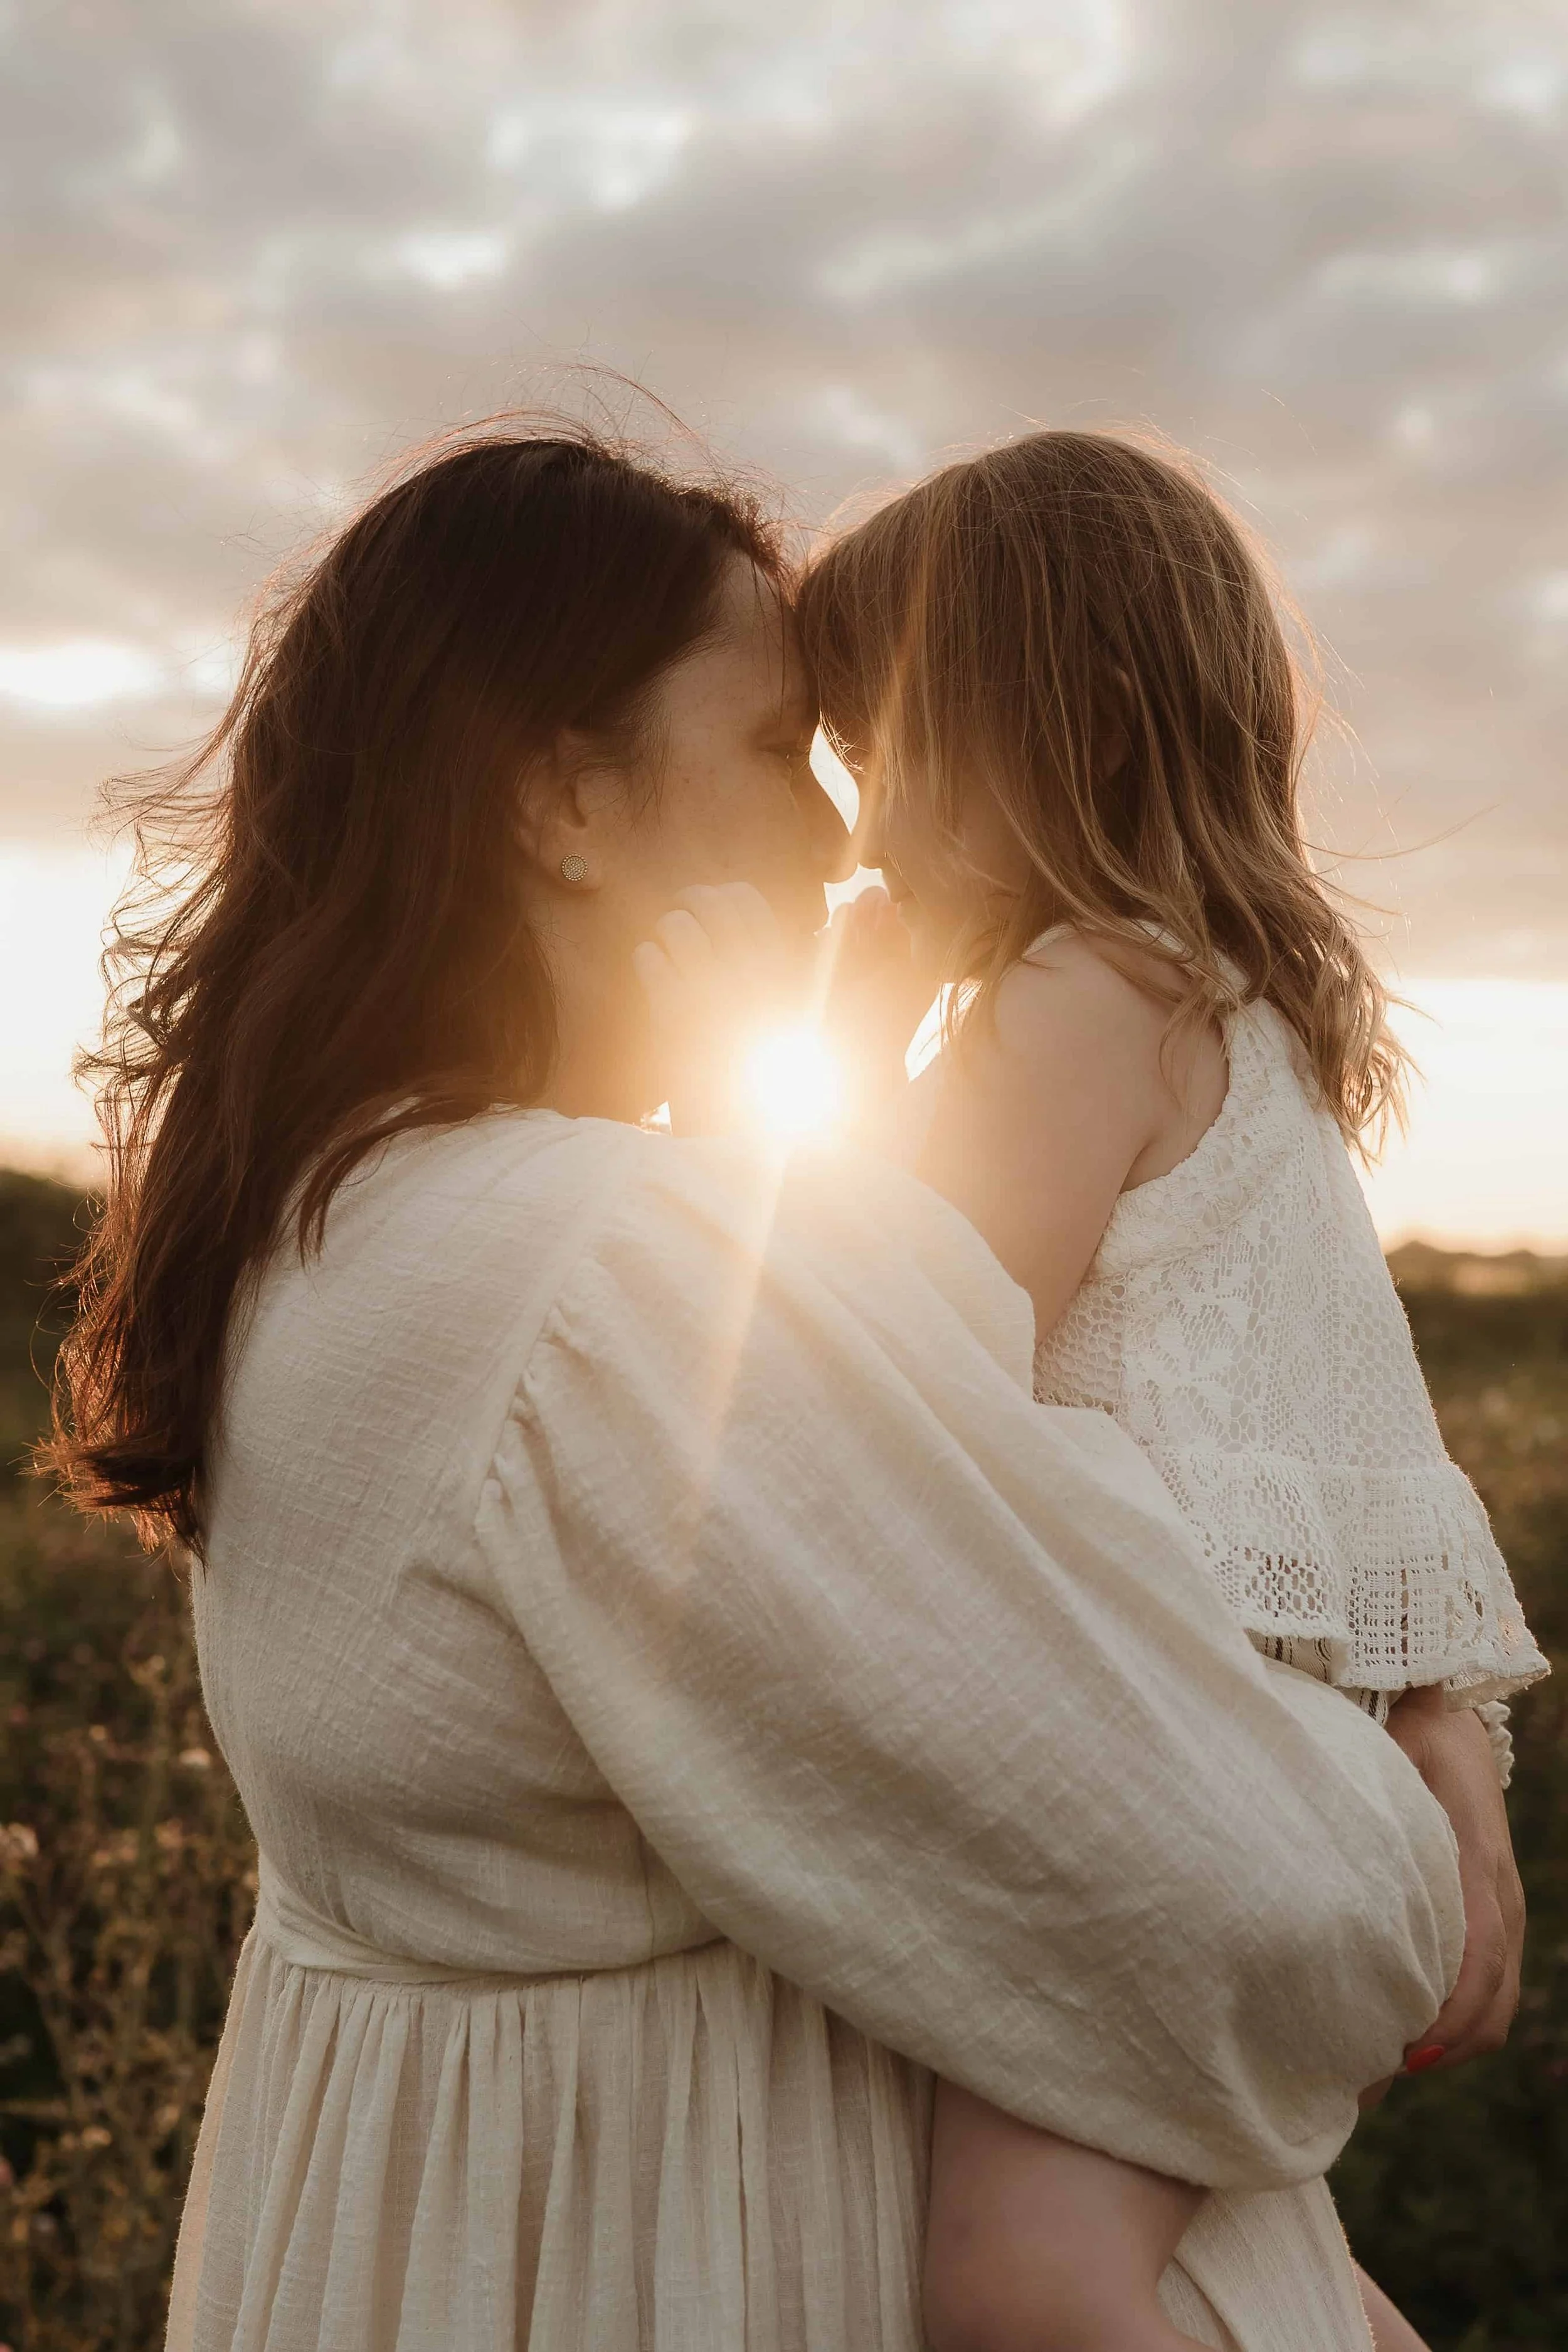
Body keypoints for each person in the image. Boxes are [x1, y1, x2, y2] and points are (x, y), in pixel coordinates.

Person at [48, 421, 1481, 2352]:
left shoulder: (355, 1213)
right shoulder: (616, 1273)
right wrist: (1422, 1814)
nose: (836, 839)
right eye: (771, 750)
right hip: (669, 2253)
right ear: (564, 796)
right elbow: (1260, 1887)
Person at [777, 428, 1546, 2352]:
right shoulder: (1246, 1018)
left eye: (884, 753)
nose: (859, 831)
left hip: (1156, 1778)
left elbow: (894, 1351)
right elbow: (1368, 1432)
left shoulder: (1073, 1002)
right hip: (1298, 1779)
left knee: (1018, 2297)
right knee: (1250, 2266)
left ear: (1065, 722)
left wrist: (845, 1039)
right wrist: (1449, 1747)